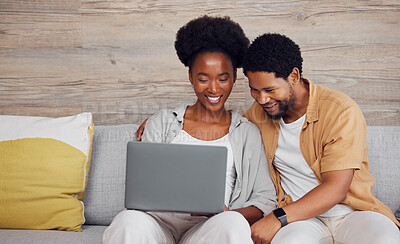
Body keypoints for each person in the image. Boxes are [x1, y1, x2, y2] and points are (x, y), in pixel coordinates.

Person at [103, 16, 277, 244]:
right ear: (191, 77)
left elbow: (265, 199)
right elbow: (142, 187)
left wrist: (226, 213)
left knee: (233, 223)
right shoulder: (162, 123)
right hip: (157, 224)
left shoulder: (246, 132)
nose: (214, 88)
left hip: (209, 228)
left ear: (234, 77)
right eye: (203, 79)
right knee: (128, 221)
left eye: (223, 79)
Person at [243, 33, 400, 243]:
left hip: (352, 212)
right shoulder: (258, 113)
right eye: (255, 90)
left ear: (294, 76)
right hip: (299, 221)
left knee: (384, 239)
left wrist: (277, 218)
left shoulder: (340, 111)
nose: (262, 99)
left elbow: (336, 188)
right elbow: (231, 140)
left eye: (270, 90)